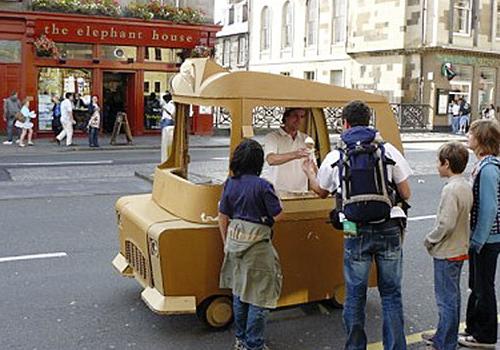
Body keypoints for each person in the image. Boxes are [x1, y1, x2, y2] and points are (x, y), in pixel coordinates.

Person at [302, 100, 412, 350]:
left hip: (354, 229)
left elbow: (321, 191)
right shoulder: (387, 151)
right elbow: (406, 192)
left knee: (355, 295)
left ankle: (355, 347)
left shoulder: (336, 155)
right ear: (369, 122)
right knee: (391, 294)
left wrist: (310, 171)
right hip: (388, 228)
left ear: (345, 123)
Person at [218, 139, 283, 350]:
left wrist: (226, 242)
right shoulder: (263, 186)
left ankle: (241, 340)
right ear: (258, 163)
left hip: (234, 242)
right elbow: (278, 214)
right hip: (258, 247)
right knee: (259, 297)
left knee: (239, 292)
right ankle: (255, 343)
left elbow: (222, 214)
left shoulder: (230, 183)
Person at [421, 142, 473, 350]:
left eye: (438, 162)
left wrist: (430, 239)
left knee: (445, 300)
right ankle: (444, 335)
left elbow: (446, 223)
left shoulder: (451, 190)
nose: (436, 165)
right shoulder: (465, 185)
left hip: (447, 251)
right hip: (460, 248)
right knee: (452, 297)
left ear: (447, 163)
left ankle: (445, 342)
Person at [458, 120, 500, 349]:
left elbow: (489, 208)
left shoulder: (489, 168)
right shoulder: (484, 165)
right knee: (478, 285)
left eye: (471, 132)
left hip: (487, 239)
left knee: (484, 287)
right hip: (484, 237)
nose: (467, 135)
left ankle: (486, 336)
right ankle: (474, 329)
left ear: (482, 139)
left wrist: (477, 240)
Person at [263, 108, 310, 193]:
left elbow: (312, 167)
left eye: (302, 116)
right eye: (295, 116)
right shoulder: (272, 137)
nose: (299, 120)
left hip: (301, 192)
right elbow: (271, 159)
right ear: (286, 117)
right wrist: (296, 154)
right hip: (277, 192)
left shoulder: (306, 139)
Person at [160, 92, 176, 162]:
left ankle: (166, 143)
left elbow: (171, 113)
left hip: (167, 119)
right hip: (166, 119)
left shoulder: (170, 104)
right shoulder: (170, 104)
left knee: (166, 133)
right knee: (166, 133)